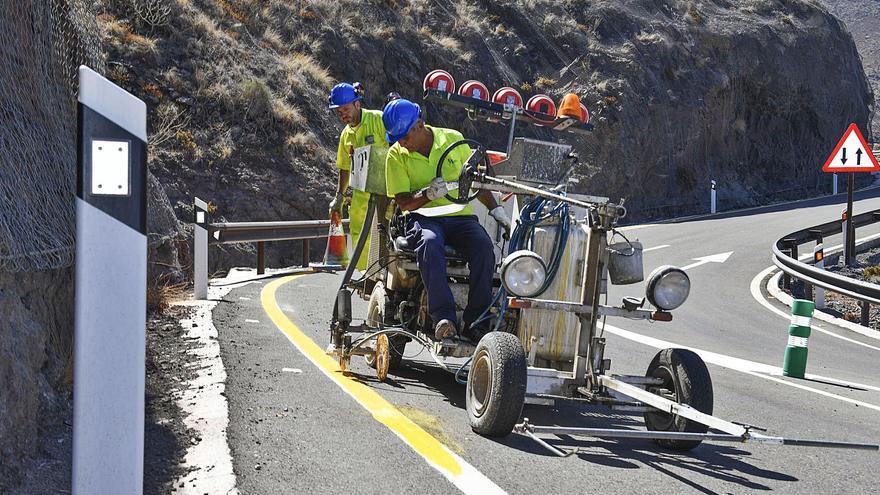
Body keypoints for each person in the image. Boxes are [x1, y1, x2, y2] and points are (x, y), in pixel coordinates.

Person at [382, 98, 512, 342]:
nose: (402, 143)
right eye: (397, 138)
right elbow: (404, 203)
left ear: (419, 125)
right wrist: (428, 194)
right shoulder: (396, 156)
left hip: (459, 217)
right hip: (423, 218)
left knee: (484, 248)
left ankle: (477, 322)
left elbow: (476, 181)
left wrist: (496, 210)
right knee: (430, 244)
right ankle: (444, 319)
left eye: (405, 137)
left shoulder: (453, 140)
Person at [328, 82, 388, 271]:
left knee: (386, 236)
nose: (343, 114)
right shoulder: (346, 135)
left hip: (388, 194)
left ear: (357, 104)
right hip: (361, 199)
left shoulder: (379, 120)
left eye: (345, 109)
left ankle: (385, 276)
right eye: (339, 111)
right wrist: (339, 196)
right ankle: (366, 280)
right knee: (360, 237)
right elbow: (344, 168)